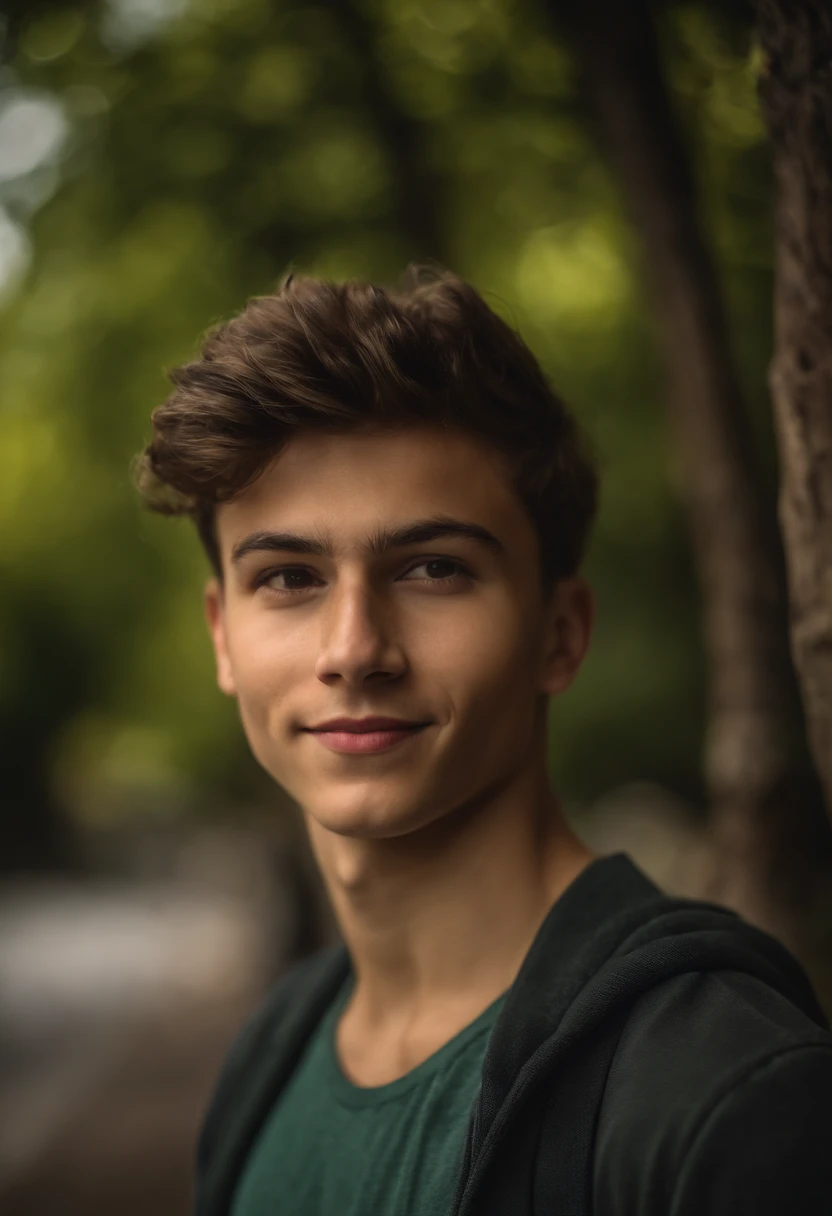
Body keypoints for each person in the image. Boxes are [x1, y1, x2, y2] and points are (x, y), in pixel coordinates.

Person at [135, 267, 832, 1216]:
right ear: (223, 636)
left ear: (560, 632)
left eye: (432, 568)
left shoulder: (725, 1090)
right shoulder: (273, 1055)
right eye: (289, 577)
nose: (354, 651)